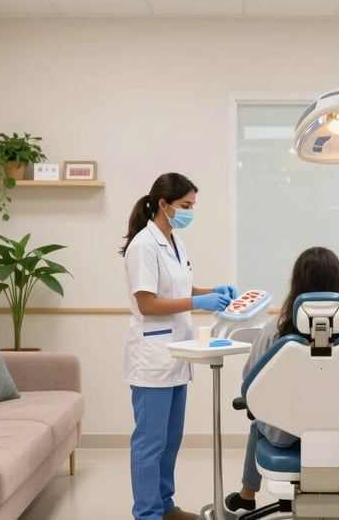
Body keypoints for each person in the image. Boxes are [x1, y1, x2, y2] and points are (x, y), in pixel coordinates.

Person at [225, 246, 339, 513]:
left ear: (296, 283)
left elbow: (250, 384)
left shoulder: (275, 329)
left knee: (258, 420)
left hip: (285, 434)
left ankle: (247, 493)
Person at [120, 172, 238, 520]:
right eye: (185, 206)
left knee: (170, 441)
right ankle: (147, 513)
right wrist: (198, 305)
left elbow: (179, 288)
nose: (189, 212)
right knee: (149, 443)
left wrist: (211, 292)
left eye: (192, 206)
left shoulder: (174, 241)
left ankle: (165, 506)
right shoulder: (144, 245)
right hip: (152, 359)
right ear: (163, 204)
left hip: (176, 354)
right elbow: (148, 303)